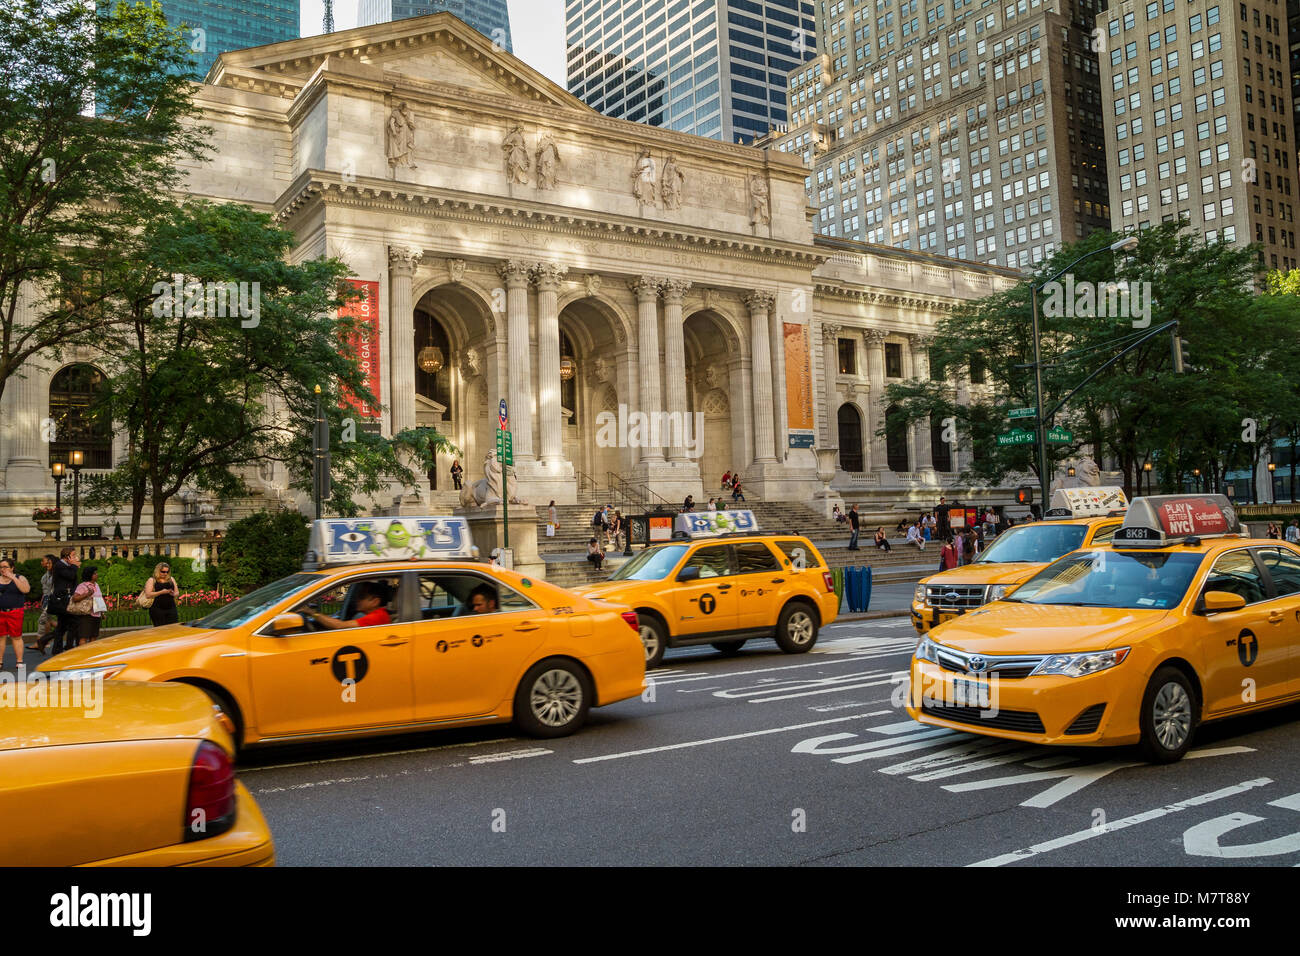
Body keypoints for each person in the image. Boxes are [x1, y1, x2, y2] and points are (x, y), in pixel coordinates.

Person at [306, 580, 393, 629]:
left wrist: (311, 613)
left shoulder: (376, 617)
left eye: (361, 597)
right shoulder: (380, 614)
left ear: (375, 602)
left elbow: (339, 626)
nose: (357, 600)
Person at [48, 547, 81, 655]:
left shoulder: (67, 566)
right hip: (62, 600)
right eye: (74, 555)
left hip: (68, 598)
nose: (76, 557)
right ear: (68, 557)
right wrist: (75, 566)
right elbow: (70, 576)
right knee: (71, 623)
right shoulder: (60, 565)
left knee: (64, 625)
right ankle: (67, 647)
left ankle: (61, 648)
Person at [0, 558, 31, 668]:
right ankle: (0, 662)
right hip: (1, 612)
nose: (3, 569)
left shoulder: (20, 578)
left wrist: (13, 578)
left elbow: (26, 590)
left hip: (15, 611)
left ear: (12, 568)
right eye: (1, 567)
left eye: (5, 567)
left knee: (16, 637)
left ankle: (19, 661)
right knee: (1, 637)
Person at [27, 554, 55, 654]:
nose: (41, 563)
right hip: (46, 599)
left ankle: (39, 642)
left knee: (42, 620)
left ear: (49, 562)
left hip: (51, 599)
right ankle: (45, 641)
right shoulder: (47, 573)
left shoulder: (55, 574)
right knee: (48, 620)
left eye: (43, 561)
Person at [72, 565, 105, 646]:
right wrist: (87, 594)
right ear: (89, 575)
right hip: (87, 615)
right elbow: (75, 598)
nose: (97, 575)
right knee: (83, 637)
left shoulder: (96, 585)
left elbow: (98, 599)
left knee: (93, 637)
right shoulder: (82, 586)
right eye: (94, 573)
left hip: (96, 615)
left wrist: (102, 613)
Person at [144, 562, 180, 627]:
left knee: (173, 628)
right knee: (160, 630)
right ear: (158, 571)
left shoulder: (171, 579)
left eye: (167, 572)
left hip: (171, 608)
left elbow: (177, 592)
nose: (165, 573)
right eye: (163, 571)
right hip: (157, 609)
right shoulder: (152, 580)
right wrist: (161, 592)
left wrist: (173, 594)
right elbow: (148, 594)